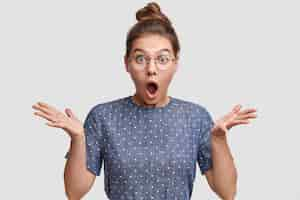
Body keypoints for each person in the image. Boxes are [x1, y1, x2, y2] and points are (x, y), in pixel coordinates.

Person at [32, 2, 257, 200]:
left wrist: (218, 140)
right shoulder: (103, 117)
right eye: (140, 58)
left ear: (175, 63)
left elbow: (227, 192)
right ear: (127, 63)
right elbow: (75, 192)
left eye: (162, 59)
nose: (151, 69)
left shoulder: (196, 117)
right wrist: (78, 138)